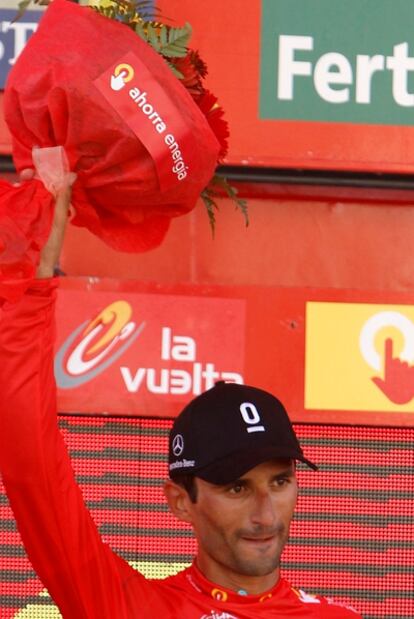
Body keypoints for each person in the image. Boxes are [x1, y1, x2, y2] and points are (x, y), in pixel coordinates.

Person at [0, 183, 363, 618]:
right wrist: (32, 284)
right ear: (179, 502)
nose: (265, 516)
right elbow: (31, 465)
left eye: (279, 482)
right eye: (237, 488)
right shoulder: (134, 609)